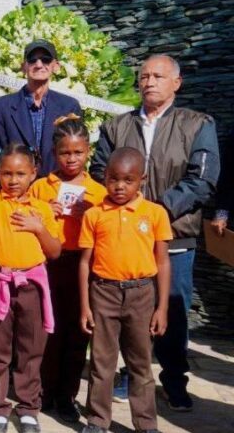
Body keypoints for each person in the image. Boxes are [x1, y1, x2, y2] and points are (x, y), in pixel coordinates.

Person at [90, 54, 220, 411]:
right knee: (129, 315)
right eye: (144, 75)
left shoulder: (197, 124)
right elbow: (100, 170)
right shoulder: (116, 127)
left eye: (158, 76)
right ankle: (131, 376)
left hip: (173, 237)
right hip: (121, 239)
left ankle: (175, 381)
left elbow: (203, 180)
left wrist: (157, 209)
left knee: (171, 312)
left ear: (176, 83)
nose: (149, 81)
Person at [0, 109, 61, 433]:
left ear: (33, 173)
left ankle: (29, 407)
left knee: (31, 349)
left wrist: (38, 228)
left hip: (31, 284)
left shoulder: (42, 209)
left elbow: (55, 250)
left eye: (19, 174)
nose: (13, 180)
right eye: (6, 174)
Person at [78, 147, 171, 433]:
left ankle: (145, 423)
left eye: (128, 180)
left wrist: (162, 308)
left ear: (141, 179)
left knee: (140, 364)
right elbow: (84, 263)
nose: (119, 186)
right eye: (113, 179)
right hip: (103, 292)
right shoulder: (94, 215)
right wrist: (85, 306)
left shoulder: (155, 213)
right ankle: (97, 420)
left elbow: (163, 262)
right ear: (104, 177)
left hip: (142, 294)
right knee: (102, 362)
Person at [29, 114, 106, 423]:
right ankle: (43, 390)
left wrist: (94, 213)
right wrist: (45, 211)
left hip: (82, 267)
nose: (71, 159)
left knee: (76, 333)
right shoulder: (39, 187)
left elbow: (107, 233)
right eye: (65, 152)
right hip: (47, 265)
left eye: (78, 152)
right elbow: (22, 219)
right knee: (48, 330)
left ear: (88, 150)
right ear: (54, 152)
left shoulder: (99, 193)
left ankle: (67, 395)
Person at [0, 40, 83, 177]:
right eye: (32, 60)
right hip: (17, 192)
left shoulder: (69, 106)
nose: (39, 65)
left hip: (57, 189)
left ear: (56, 66)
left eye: (45, 59)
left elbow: (75, 154)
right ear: (23, 66)